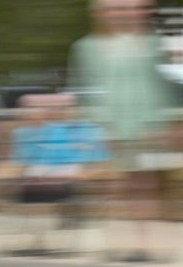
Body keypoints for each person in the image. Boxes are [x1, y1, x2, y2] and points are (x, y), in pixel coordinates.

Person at [69, 0, 183, 262]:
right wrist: (93, 126)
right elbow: (84, 89)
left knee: (151, 184)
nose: (118, 15)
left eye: (123, 10)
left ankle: (156, 243)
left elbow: (168, 83)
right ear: (98, 15)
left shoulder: (152, 43)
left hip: (150, 125)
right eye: (111, 11)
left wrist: (174, 119)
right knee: (118, 186)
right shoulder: (86, 48)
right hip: (113, 127)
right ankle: (122, 242)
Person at [6, 92, 111, 254]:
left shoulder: (88, 130)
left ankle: (45, 236)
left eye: (63, 108)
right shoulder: (38, 130)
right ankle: (40, 239)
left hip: (68, 175)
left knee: (49, 184)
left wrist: (84, 174)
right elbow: (25, 161)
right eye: (55, 108)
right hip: (48, 175)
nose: (59, 112)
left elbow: (99, 166)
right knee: (34, 185)